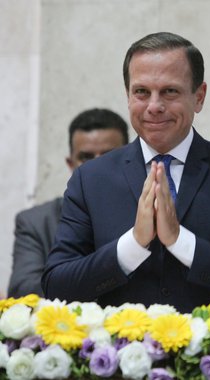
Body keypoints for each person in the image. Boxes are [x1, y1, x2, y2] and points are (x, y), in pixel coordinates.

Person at [42, 32, 210, 313]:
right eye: (142, 92)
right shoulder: (91, 179)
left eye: (170, 91)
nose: (154, 106)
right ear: (128, 95)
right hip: (116, 353)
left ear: (199, 96)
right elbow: (56, 286)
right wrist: (133, 244)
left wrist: (181, 242)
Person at [8, 108, 129, 298]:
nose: (96, 168)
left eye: (108, 156)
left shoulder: (149, 217)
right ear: (70, 163)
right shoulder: (35, 222)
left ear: (127, 160)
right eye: (86, 157)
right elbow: (23, 290)